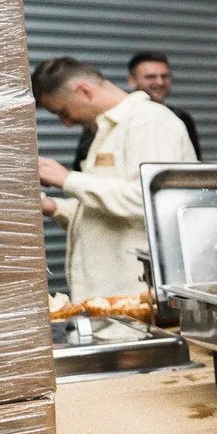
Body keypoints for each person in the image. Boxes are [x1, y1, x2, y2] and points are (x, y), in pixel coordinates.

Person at [33, 56, 197, 300]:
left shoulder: (148, 122)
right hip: (110, 302)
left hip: (140, 303)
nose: (66, 124)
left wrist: (67, 179)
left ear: (84, 91)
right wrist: (55, 207)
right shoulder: (108, 131)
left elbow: (149, 202)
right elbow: (106, 211)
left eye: (63, 112)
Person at [73, 51, 200, 165]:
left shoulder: (180, 117)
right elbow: (84, 161)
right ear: (132, 81)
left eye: (165, 76)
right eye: (151, 77)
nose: (160, 82)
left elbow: (191, 164)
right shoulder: (112, 118)